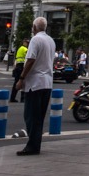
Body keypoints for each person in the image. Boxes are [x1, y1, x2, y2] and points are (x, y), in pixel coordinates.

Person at [15, 17, 55, 156]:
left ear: (34, 27)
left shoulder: (35, 40)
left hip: (35, 83)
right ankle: (35, 145)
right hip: (47, 83)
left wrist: (21, 78)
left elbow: (31, 59)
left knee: (31, 116)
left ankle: (32, 146)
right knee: (39, 117)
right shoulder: (51, 40)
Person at [10, 38, 29, 103]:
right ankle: (22, 98)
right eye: (27, 43)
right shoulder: (25, 49)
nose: (27, 44)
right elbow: (28, 57)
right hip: (22, 66)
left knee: (16, 82)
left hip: (18, 66)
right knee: (23, 82)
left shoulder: (20, 48)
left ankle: (12, 97)